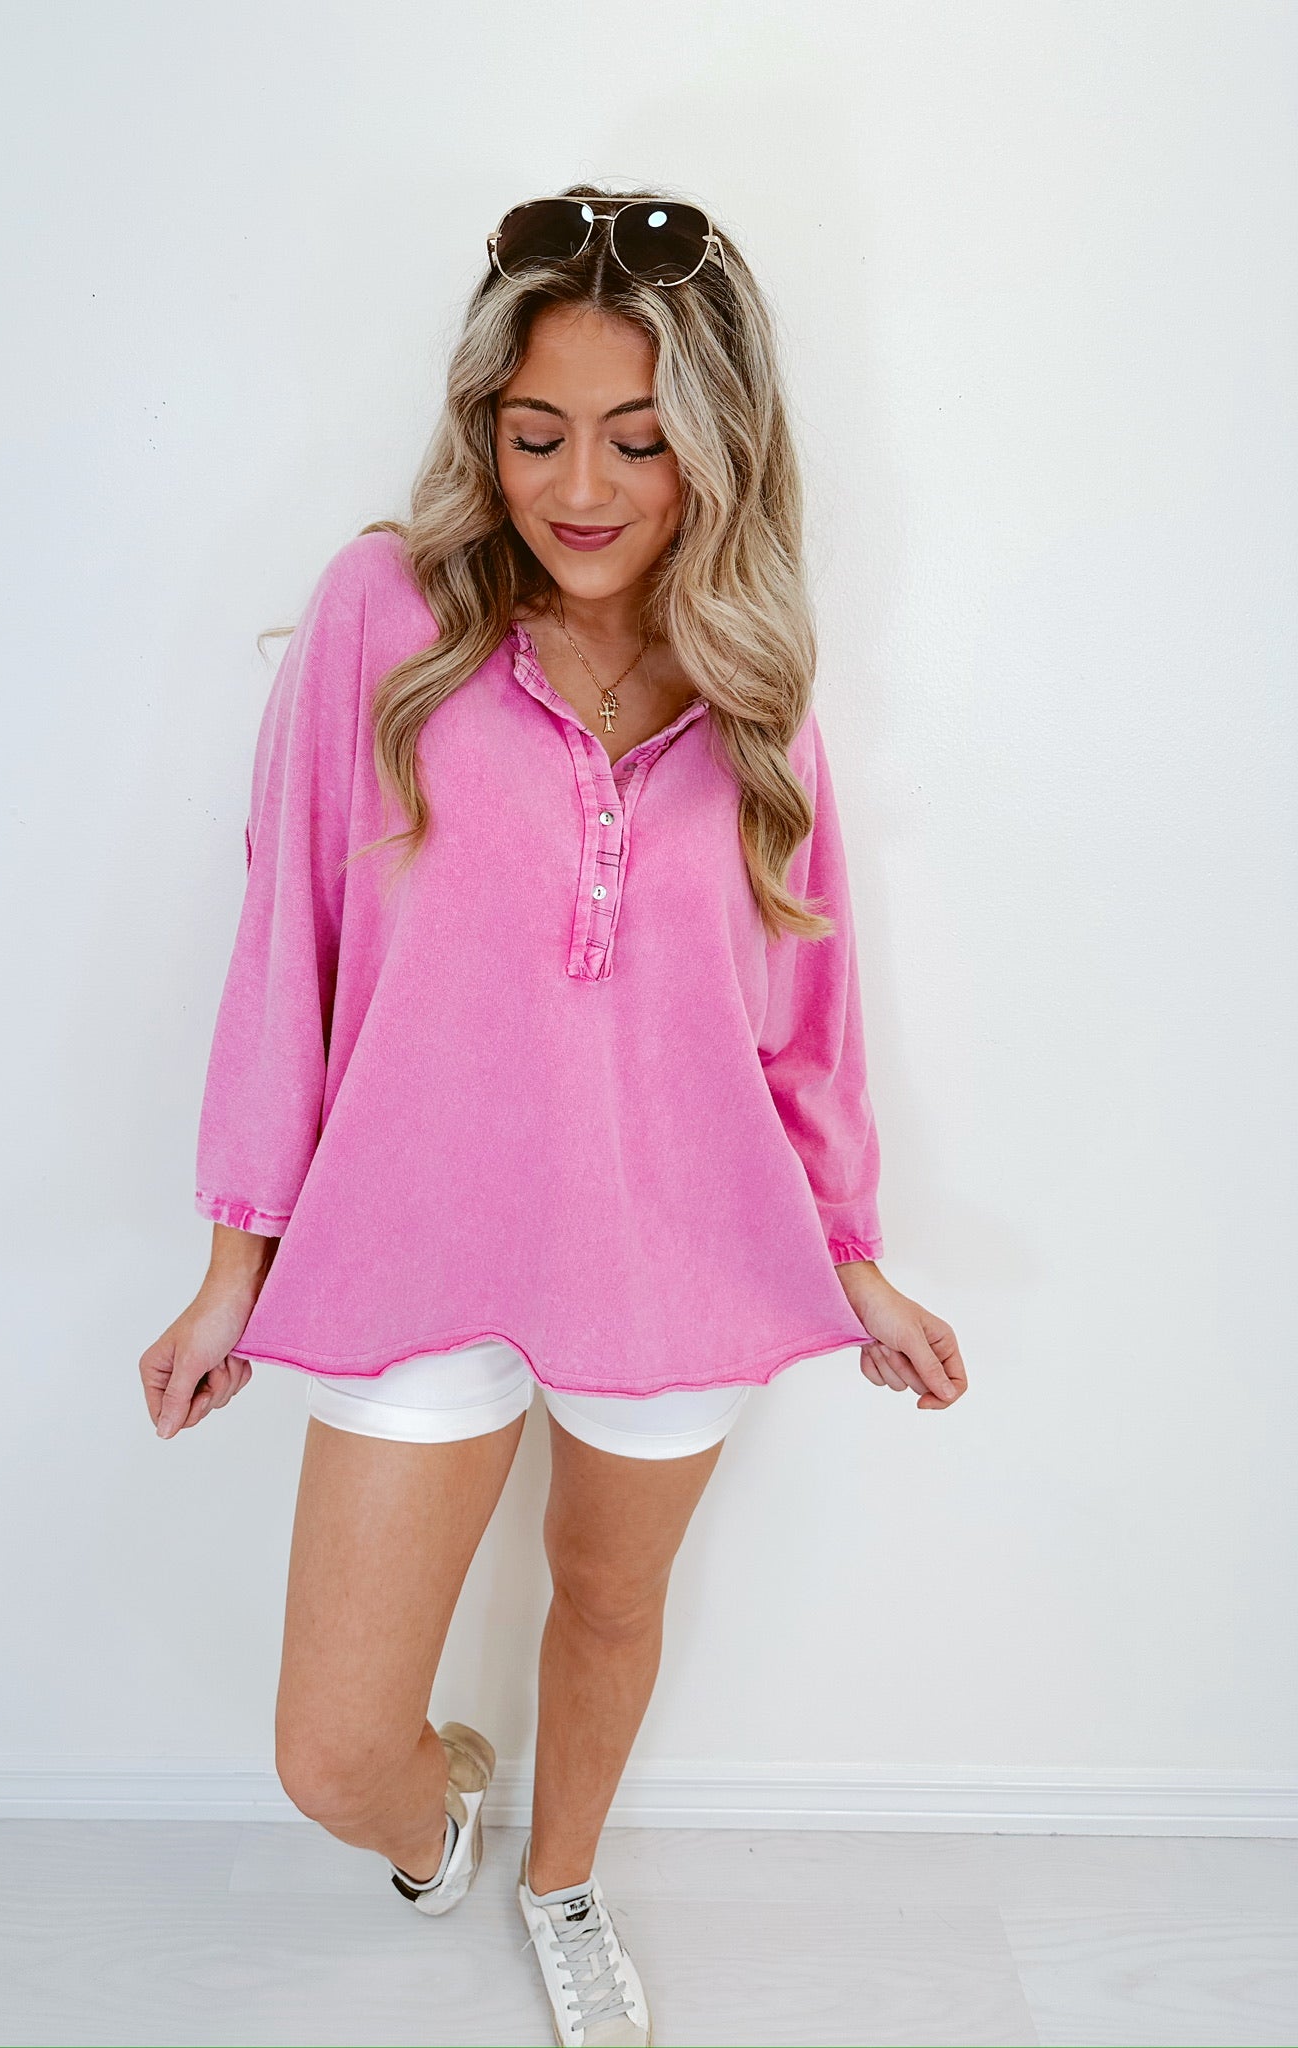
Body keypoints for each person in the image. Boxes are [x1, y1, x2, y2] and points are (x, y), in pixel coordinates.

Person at [139, 184, 968, 2048]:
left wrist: (854, 1258)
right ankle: (438, 1810)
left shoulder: (755, 682)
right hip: (411, 1238)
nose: (580, 485)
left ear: (718, 446)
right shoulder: (384, 614)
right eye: (536, 433)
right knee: (328, 1749)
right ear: (483, 427)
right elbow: (288, 948)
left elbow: (802, 1011)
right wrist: (232, 1265)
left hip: (679, 1244)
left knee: (604, 1602)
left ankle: (563, 1882)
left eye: (639, 439)